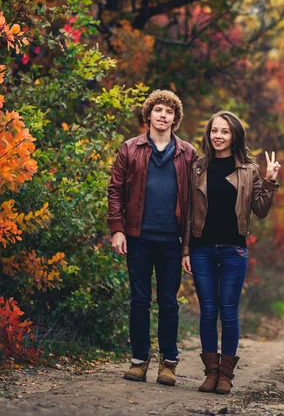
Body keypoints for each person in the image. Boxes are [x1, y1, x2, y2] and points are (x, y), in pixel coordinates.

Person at [182, 111, 280, 395]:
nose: (219, 136)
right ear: (208, 134)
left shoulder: (249, 170)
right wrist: (186, 250)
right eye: (214, 131)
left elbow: (260, 211)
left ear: (234, 135)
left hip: (234, 251)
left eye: (225, 131)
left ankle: (226, 376)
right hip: (201, 250)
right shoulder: (197, 167)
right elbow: (189, 214)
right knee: (207, 311)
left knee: (229, 312)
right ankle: (210, 373)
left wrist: (270, 180)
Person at [108, 89, 197, 386]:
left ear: (176, 118)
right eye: (158, 110)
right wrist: (117, 229)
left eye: (169, 112)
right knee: (139, 300)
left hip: (173, 240)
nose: (163, 115)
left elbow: (198, 198)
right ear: (149, 115)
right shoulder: (130, 148)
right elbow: (115, 190)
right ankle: (139, 361)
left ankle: (168, 364)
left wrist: (190, 245)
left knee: (169, 302)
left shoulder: (187, 153)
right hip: (138, 237)